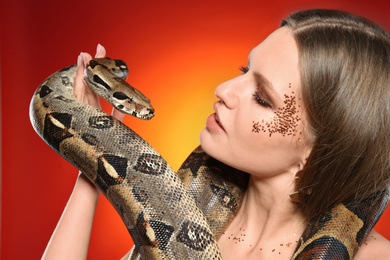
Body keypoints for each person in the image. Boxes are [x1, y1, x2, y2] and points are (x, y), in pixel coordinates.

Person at [42, 9, 390, 259]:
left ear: (317, 153)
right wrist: (91, 143)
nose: (223, 89)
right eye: (244, 70)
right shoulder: (183, 215)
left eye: (262, 98)